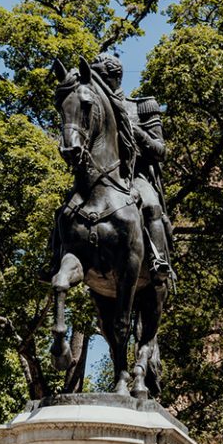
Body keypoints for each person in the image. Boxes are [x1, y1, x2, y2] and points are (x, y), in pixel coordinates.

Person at [90, 52, 173, 282]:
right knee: (68, 208)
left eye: (100, 77)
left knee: (151, 205)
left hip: (134, 174)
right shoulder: (92, 110)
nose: (95, 83)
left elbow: (160, 151)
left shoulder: (142, 107)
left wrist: (133, 129)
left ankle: (158, 260)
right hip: (100, 176)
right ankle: (56, 258)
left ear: (115, 78)